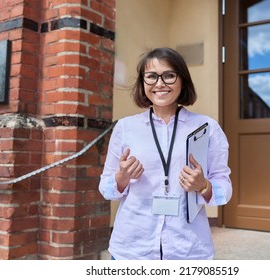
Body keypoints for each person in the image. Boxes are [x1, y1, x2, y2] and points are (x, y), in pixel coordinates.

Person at [98, 47, 232, 260]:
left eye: (169, 75)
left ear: (182, 80)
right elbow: (106, 188)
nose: (159, 83)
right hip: (132, 249)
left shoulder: (207, 128)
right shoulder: (125, 127)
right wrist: (120, 178)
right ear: (143, 83)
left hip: (187, 249)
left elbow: (224, 187)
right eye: (151, 76)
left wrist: (203, 186)